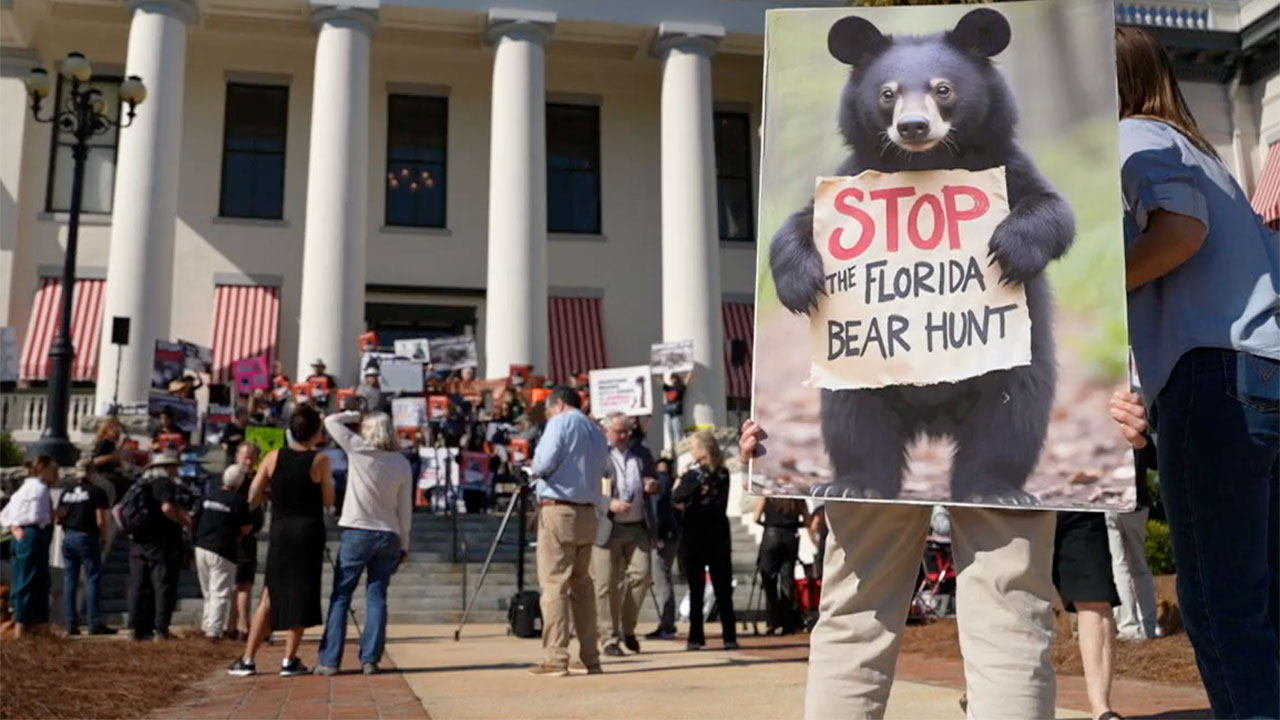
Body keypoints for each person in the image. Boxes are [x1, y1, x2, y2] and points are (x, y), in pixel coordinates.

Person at [1106, 27, 1279, 720]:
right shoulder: (1207, 158)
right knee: (1261, 604)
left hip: (1211, 380)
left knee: (1220, 604)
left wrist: (1095, 287)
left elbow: (1180, 232)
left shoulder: (1131, 139)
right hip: (1261, 370)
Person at [740, 420, 1058, 719]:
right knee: (1009, 619)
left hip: (868, 395)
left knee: (855, 619)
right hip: (1004, 394)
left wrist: (768, 446)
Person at [229, 406, 333, 677]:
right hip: (308, 530)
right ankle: (289, 659)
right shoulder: (320, 460)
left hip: (281, 530)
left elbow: (252, 495)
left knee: (269, 593)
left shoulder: (274, 456)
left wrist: (271, 494)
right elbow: (328, 500)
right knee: (301, 591)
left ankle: (248, 658)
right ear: (315, 433)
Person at [315, 410, 413, 676]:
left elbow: (330, 421)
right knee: (377, 596)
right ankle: (370, 658)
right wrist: (404, 542)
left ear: (367, 431)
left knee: (341, 595)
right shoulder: (402, 463)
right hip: (389, 533)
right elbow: (405, 509)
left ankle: (330, 660)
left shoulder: (358, 449)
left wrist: (354, 414)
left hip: (358, 529)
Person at [527, 386, 608, 677]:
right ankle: (590, 656)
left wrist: (533, 470)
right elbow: (606, 468)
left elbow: (543, 463)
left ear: (558, 404)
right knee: (583, 584)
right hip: (587, 510)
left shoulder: (560, 422)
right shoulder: (596, 431)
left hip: (559, 506)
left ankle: (556, 657)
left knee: (554, 584)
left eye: (548, 409)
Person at [593, 412, 658, 656]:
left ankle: (627, 628)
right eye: (618, 431)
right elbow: (589, 487)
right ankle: (608, 637)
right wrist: (608, 503)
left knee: (641, 575)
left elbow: (654, 478)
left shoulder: (641, 453)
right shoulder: (598, 455)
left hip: (637, 525)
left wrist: (652, 485)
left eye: (626, 432)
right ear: (607, 432)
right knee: (605, 584)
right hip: (607, 527)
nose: (623, 436)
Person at [1053, 512, 1122, 720]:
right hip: (1011, 500)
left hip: (1079, 497)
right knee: (1008, 601)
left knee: (1096, 600)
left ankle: (1102, 709)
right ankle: (985, 688)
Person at [673, 431, 737, 651]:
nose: (690, 451)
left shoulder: (709, 474)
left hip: (701, 533)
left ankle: (699, 637)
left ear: (701, 450)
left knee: (710, 587)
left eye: (693, 447)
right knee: (710, 588)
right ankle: (726, 636)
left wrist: (685, 478)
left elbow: (678, 496)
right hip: (709, 534)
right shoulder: (720, 473)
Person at [126, 450, 192, 641]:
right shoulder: (164, 485)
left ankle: (136, 628)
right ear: (168, 468)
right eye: (174, 468)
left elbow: (118, 510)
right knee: (163, 585)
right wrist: (185, 522)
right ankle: (161, 629)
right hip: (161, 541)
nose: (177, 472)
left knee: (138, 585)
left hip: (139, 541)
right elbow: (167, 508)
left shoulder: (140, 485)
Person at [57, 460, 115, 636]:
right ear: (92, 473)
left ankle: (70, 623)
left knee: (70, 580)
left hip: (68, 537)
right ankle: (94, 623)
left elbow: (59, 517)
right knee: (92, 579)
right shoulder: (97, 492)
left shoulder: (66, 492)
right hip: (87, 536)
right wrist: (103, 537)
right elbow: (100, 520)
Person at [1, 455, 57, 637]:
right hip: (33, 533)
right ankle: (22, 625)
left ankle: (36, 624)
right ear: (43, 469)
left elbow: (5, 514)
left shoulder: (22, 489)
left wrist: (13, 525)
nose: (56, 475)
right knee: (28, 580)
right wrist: (18, 525)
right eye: (53, 470)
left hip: (27, 534)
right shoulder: (38, 489)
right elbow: (36, 516)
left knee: (34, 580)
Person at [194, 465, 252, 639]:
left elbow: (195, 518)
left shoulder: (208, 496)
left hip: (201, 547)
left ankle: (207, 625)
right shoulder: (238, 501)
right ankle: (213, 632)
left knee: (208, 592)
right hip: (223, 550)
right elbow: (247, 527)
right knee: (219, 592)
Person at [753, 496, 811, 635]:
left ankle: (773, 620)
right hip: (790, 536)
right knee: (787, 579)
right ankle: (787, 621)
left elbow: (756, 517)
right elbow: (808, 520)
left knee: (769, 580)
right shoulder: (796, 496)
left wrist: (767, 523)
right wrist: (796, 524)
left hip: (771, 534)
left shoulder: (767, 494)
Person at [225, 443, 262, 640]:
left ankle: (236, 625)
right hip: (236, 536)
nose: (248, 461)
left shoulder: (256, 478)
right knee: (240, 584)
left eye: (251, 457)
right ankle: (241, 626)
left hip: (248, 536)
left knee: (243, 583)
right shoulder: (233, 480)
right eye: (245, 456)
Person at [645, 456, 681, 640]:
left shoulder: (660, 483)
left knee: (661, 579)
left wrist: (655, 534)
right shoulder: (669, 482)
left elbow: (658, 510)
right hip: (671, 534)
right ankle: (667, 622)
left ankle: (667, 623)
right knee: (663, 577)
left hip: (663, 536)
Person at [92, 417, 128, 497]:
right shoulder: (104, 442)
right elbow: (96, 461)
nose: (116, 430)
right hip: (103, 474)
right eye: (113, 428)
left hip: (111, 473)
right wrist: (111, 457)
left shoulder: (112, 444)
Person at [661, 372, 690, 457]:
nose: (673, 380)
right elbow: (662, 384)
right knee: (669, 429)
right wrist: (660, 375)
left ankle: (678, 446)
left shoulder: (680, 388)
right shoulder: (669, 388)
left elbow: (686, 382)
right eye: (672, 379)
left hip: (677, 412)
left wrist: (689, 373)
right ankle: (671, 446)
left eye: (674, 378)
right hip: (668, 411)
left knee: (677, 429)